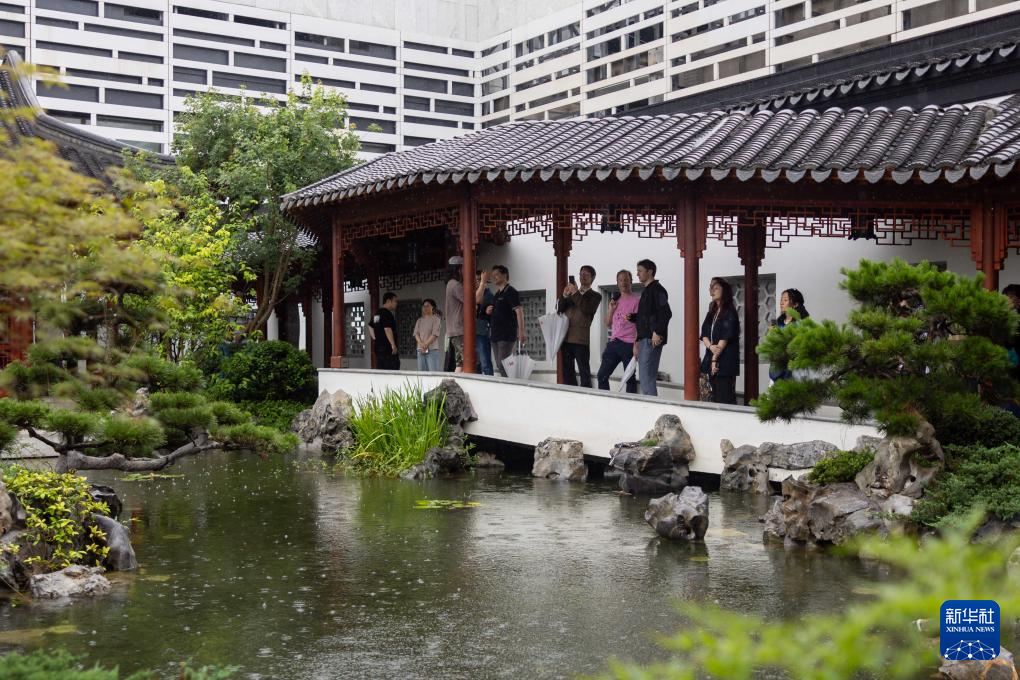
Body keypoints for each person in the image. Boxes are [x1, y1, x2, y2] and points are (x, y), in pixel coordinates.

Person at [557, 265, 601, 387]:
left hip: (581, 338)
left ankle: (586, 394)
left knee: (584, 370)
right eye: (581, 274)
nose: (583, 277)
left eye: (586, 274)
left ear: (593, 277)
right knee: (567, 371)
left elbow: (587, 309)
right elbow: (559, 310)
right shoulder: (572, 293)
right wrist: (564, 295)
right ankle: (571, 393)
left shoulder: (595, 295)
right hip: (565, 336)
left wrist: (575, 292)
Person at [596, 269, 639, 393]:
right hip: (614, 343)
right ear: (617, 283)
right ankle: (605, 401)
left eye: (626, 280)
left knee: (629, 379)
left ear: (631, 281)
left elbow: (640, 325)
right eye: (620, 280)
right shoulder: (615, 301)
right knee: (602, 375)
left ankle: (631, 403)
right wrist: (611, 309)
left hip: (629, 344)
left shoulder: (637, 301)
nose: (623, 282)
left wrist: (636, 345)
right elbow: (607, 323)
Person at [700, 277, 741, 404]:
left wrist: (714, 358)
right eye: (711, 288)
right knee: (713, 397)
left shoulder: (729, 311)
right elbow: (704, 333)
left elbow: (725, 336)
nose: (712, 290)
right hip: (711, 356)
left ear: (725, 291)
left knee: (724, 397)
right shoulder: (712, 311)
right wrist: (710, 347)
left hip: (724, 361)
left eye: (716, 288)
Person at [634, 259, 671, 396]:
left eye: (640, 271)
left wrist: (657, 332)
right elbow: (647, 316)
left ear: (650, 272)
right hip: (645, 339)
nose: (637, 274)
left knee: (647, 378)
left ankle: (651, 405)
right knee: (646, 378)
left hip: (651, 339)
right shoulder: (647, 291)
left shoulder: (657, 289)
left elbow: (666, 313)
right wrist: (633, 317)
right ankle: (650, 404)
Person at [485, 264, 525, 377]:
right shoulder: (497, 294)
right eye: (493, 275)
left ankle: (509, 384)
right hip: (495, 335)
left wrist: (521, 332)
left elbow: (519, 312)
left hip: (506, 335)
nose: (494, 277)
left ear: (505, 275)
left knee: (503, 364)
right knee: (499, 365)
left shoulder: (511, 291)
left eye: (496, 274)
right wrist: (488, 311)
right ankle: (507, 383)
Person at [767, 288, 810, 383]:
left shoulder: (800, 324)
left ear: (795, 305)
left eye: (785, 300)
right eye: (781, 300)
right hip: (776, 372)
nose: (781, 303)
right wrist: (771, 335)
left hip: (793, 373)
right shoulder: (778, 323)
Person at [443, 256, 465, 373]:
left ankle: (456, 380)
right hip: (458, 328)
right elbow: (470, 300)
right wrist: (481, 284)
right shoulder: (455, 285)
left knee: (460, 361)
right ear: (459, 269)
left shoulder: (450, 284)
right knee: (466, 359)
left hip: (453, 329)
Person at [369, 291, 400, 370]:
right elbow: (387, 329)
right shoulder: (386, 313)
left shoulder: (377, 313)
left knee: (381, 370)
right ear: (388, 301)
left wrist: (375, 338)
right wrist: (393, 345)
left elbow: (370, 326)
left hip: (379, 348)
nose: (396, 303)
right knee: (391, 370)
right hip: (387, 349)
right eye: (395, 301)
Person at [474, 269, 495, 376]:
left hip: (482, 330)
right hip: (472, 331)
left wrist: (487, 312)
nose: (476, 282)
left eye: (479, 280)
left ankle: (489, 380)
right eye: (475, 280)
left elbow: (490, 312)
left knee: (485, 360)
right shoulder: (472, 292)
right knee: (475, 362)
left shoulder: (488, 294)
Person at [413, 298, 442, 372]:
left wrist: (425, 344)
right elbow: (416, 333)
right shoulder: (419, 320)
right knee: (421, 372)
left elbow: (434, 334)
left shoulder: (436, 319)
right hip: (420, 349)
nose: (425, 308)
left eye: (427, 306)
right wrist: (421, 344)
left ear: (433, 307)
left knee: (433, 372)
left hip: (432, 349)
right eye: (424, 306)